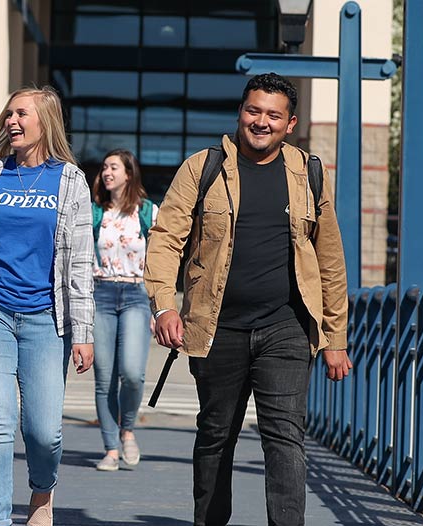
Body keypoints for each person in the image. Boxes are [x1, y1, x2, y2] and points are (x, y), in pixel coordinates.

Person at [143, 73, 353, 526]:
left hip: (287, 326)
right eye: (253, 110)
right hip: (217, 327)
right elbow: (165, 240)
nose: (261, 122)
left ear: (290, 123)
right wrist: (163, 305)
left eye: (273, 115)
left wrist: (336, 337)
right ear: (240, 112)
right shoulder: (203, 168)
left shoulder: (309, 175)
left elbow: (330, 259)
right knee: (216, 435)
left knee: (285, 437)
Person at [0, 86, 95, 526]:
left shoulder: (69, 181)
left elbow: (80, 262)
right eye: (8, 113)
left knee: (43, 432)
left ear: (45, 120)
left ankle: (42, 493)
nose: (11, 121)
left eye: (21, 113)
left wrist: (83, 331)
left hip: (47, 318)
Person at [88, 149, 158, 472]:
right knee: (104, 378)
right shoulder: (93, 213)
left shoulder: (147, 213)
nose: (106, 172)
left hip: (135, 295)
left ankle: (127, 429)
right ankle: (110, 448)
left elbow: (161, 261)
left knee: (131, 373)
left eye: (113, 167)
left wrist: (161, 306)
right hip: (101, 294)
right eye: (104, 167)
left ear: (128, 174)